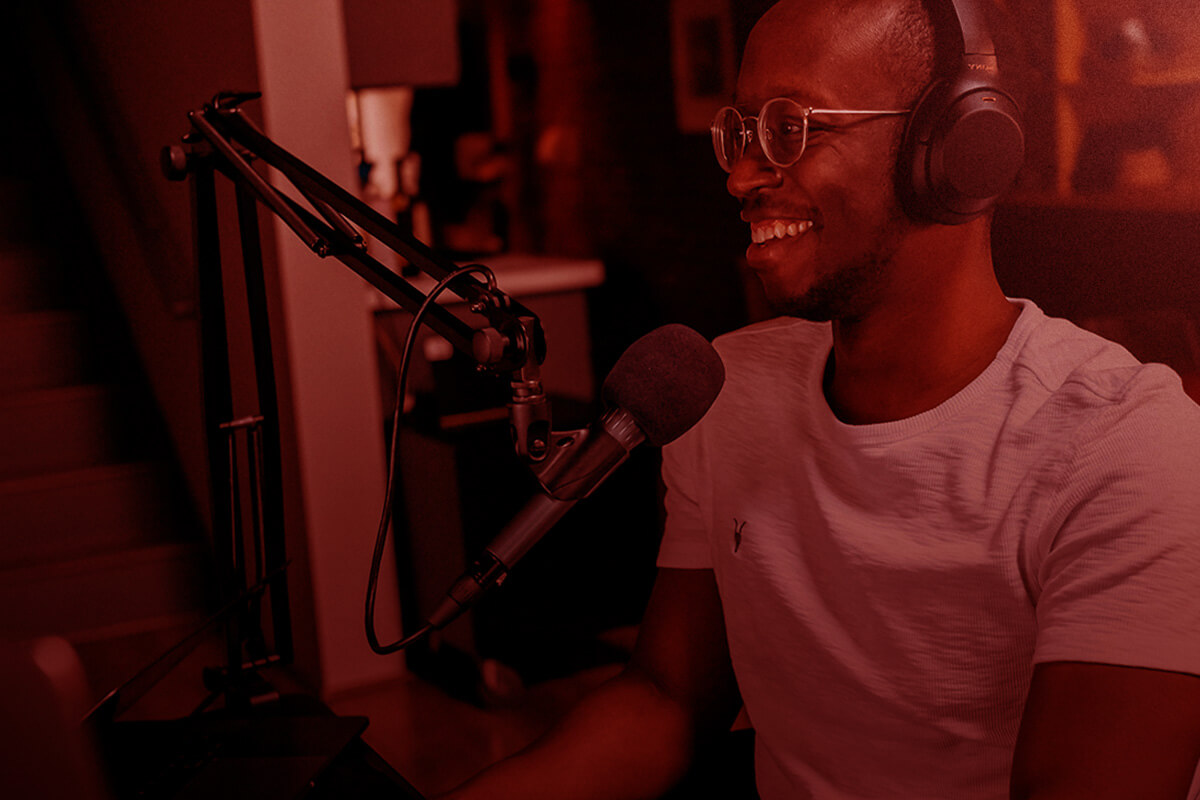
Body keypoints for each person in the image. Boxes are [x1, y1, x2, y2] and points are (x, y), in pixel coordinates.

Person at [440, 0, 1200, 797]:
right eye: (739, 134)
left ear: (955, 147)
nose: (740, 176)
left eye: (789, 128)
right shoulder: (724, 392)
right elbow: (665, 700)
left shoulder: (1130, 453)